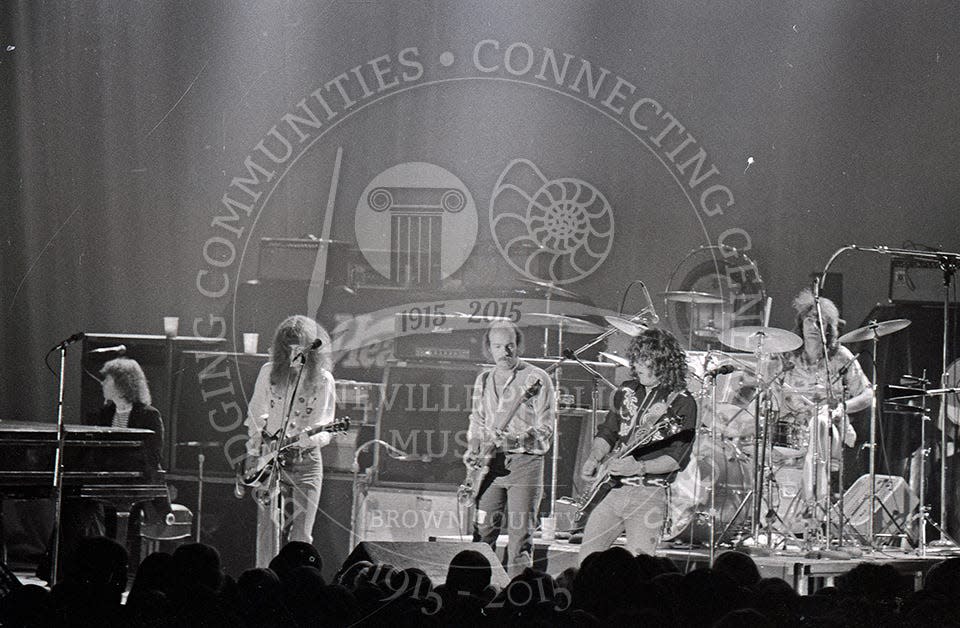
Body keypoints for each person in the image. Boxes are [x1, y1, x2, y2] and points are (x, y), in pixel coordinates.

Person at [37, 357, 165, 581]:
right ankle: (60, 571)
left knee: (92, 506)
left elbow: (153, 455)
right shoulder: (103, 414)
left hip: (132, 481)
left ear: (123, 383)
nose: (102, 383)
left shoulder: (148, 415)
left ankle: (112, 574)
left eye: (107, 379)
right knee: (72, 503)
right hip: (103, 479)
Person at [578, 328, 698, 561]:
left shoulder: (682, 403)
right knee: (587, 560)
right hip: (613, 490)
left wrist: (639, 467)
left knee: (641, 566)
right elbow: (608, 432)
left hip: (648, 495)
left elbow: (677, 458)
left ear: (664, 363)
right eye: (637, 359)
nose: (639, 366)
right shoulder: (626, 390)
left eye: (647, 360)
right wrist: (594, 457)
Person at [464, 321, 555, 577]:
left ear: (518, 346)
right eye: (497, 346)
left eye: (509, 346)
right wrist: (473, 448)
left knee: (519, 539)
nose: (505, 352)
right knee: (482, 535)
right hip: (490, 466)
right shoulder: (483, 379)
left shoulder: (538, 378)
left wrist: (514, 440)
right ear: (489, 349)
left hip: (526, 465)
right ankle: (478, 592)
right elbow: (477, 420)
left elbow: (546, 430)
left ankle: (517, 601)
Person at [244, 315, 336, 568]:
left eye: (299, 347)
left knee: (302, 534)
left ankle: (297, 585)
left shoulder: (323, 380)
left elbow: (326, 427)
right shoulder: (268, 372)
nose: (294, 353)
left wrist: (307, 439)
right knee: (268, 530)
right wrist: (255, 449)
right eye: (288, 347)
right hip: (271, 459)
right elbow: (255, 414)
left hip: (306, 461)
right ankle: (264, 581)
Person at [774, 289, 872, 512]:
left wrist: (841, 408)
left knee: (819, 421)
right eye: (809, 321)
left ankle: (816, 500)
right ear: (801, 324)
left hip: (829, 426)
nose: (814, 327)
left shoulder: (840, 357)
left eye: (820, 322)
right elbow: (770, 389)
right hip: (791, 428)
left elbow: (868, 395)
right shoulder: (788, 356)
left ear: (830, 327)